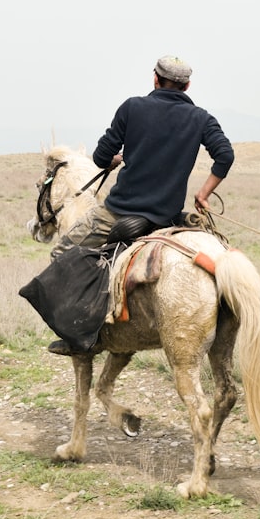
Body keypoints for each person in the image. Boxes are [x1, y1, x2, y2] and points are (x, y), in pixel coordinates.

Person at [46, 54, 234, 355]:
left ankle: (80, 335)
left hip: (119, 211)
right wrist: (204, 194)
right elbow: (225, 156)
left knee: (62, 251)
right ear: (186, 86)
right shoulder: (201, 118)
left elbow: (99, 157)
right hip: (167, 217)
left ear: (155, 79)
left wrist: (117, 159)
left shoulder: (132, 107)